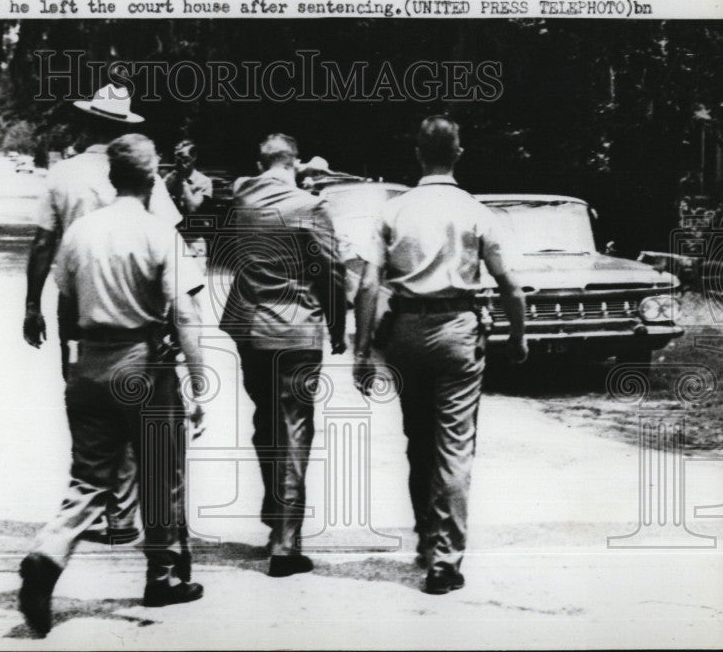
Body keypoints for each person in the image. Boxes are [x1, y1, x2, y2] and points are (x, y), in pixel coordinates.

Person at [19, 135, 207, 635]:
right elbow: (184, 313)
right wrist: (198, 377)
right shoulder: (157, 232)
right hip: (143, 363)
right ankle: (162, 575)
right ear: (151, 179)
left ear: (110, 177)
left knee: (88, 478)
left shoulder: (80, 233)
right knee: (161, 471)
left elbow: (66, 292)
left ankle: (48, 552)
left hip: (90, 364)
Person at [352, 116, 527, 595]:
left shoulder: (394, 211)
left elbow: (368, 284)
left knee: (418, 438)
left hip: (406, 331)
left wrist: (362, 351)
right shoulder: (476, 212)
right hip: (458, 331)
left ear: (417, 153)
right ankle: (445, 561)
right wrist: (518, 336)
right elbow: (509, 284)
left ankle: (427, 538)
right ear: (459, 153)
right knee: (454, 446)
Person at [23, 84, 181, 546]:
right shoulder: (136, 171)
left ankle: (94, 504)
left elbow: (42, 243)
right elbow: (169, 232)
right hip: (135, 297)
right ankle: (121, 514)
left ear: (89, 124)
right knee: (133, 406)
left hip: (76, 301)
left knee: (90, 402)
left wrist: (32, 305)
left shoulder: (62, 174)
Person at [220, 133, 347, 577]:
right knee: (295, 427)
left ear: (261, 162)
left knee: (266, 420)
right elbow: (331, 271)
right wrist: (339, 326)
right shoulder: (309, 207)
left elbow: (245, 184)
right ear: (295, 164)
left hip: (248, 329)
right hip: (296, 330)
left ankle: (276, 510)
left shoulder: (241, 194)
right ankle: (285, 543)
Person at [164, 139, 214, 261]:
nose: (180, 162)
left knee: (195, 279)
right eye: (177, 158)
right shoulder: (168, 180)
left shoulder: (204, 182)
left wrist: (182, 181)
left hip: (194, 240)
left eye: (184, 158)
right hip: (172, 239)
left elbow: (193, 209)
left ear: (194, 157)